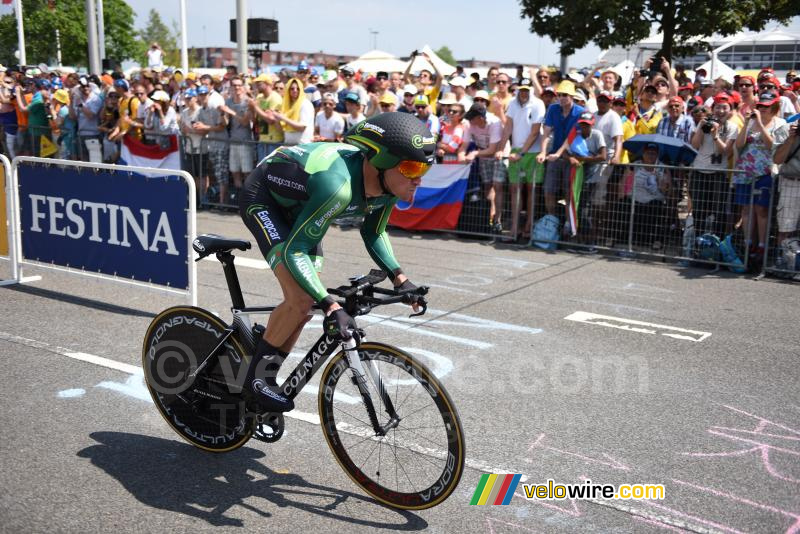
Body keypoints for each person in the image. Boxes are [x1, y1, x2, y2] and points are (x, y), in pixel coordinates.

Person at [237, 112, 434, 411]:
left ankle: (266, 364)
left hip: (303, 205)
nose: (418, 178)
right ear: (380, 162)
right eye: (411, 167)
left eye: (424, 168)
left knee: (303, 306)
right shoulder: (337, 187)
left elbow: (374, 231)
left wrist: (400, 279)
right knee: (302, 299)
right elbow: (294, 252)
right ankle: (257, 380)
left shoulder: (390, 186)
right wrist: (332, 306)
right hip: (264, 197)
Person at [734, 92, 786, 266]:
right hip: (745, 172)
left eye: (766, 106)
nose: (762, 109)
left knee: (761, 210)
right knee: (746, 210)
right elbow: (739, 144)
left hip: (765, 172)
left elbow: (773, 146)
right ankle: (749, 244)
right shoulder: (749, 122)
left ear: (774, 107)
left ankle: (762, 245)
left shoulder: (780, 124)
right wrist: (748, 123)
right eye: (760, 106)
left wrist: (762, 126)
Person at [502, 78, 545, 240]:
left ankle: (528, 227)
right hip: (516, 150)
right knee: (515, 190)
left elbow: (535, 132)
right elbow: (508, 127)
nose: (524, 93)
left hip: (532, 152)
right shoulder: (513, 103)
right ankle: (514, 229)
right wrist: (501, 148)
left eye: (527, 89)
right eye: (522, 89)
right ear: (518, 89)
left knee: (531, 190)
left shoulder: (538, 103)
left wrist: (522, 153)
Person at [690, 93, 739, 235]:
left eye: (725, 107)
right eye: (718, 107)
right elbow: (695, 144)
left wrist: (715, 135)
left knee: (719, 211)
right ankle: (698, 241)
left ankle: (717, 242)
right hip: (700, 171)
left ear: (730, 110)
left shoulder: (732, 127)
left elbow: (725, 151)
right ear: (713, 109)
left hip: (719, 174)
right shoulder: (704, 123)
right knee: (698, 210)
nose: (721, 111)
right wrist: (702, 126)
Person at [537, 80, 585, 216]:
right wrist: (543, 151)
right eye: (560, 95)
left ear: (572, 96)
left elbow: (572, 137)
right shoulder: (553, 108)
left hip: (572, 157)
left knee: (568, 193)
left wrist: (558, 153)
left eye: (565, 95)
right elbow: (546, 132)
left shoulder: (581, 112)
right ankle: (551, 221)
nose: (562, 98)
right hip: (554, 156)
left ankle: (569, 225)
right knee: (548, 190)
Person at [459, 104, 506, 232]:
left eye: (472, 118)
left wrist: (474, 153)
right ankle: (489, 217)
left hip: (499, 155)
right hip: (483, 155)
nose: (470, 120)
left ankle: (498, 219)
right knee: (487, 186)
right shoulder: (470, 124)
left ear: (480, 118)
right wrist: (461, 154)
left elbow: (492, 149)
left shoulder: (494, 122)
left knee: (498, 185)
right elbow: (464, 145)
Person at [772, 121, 800, 252]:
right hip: (791, 183)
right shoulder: (785, 129)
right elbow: (777, 159)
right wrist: (791, 138)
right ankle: (783, 266)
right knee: (785, 229)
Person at [271, 78, 314, 146]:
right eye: (292, 88)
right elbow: (280, 130)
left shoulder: (305, 104)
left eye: (298, 88)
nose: (295, 91)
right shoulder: (286, 106)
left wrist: (283, 118)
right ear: (288, 90)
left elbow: (302, 127)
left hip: (303, 146)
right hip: (288, 145)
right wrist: (276, 118)